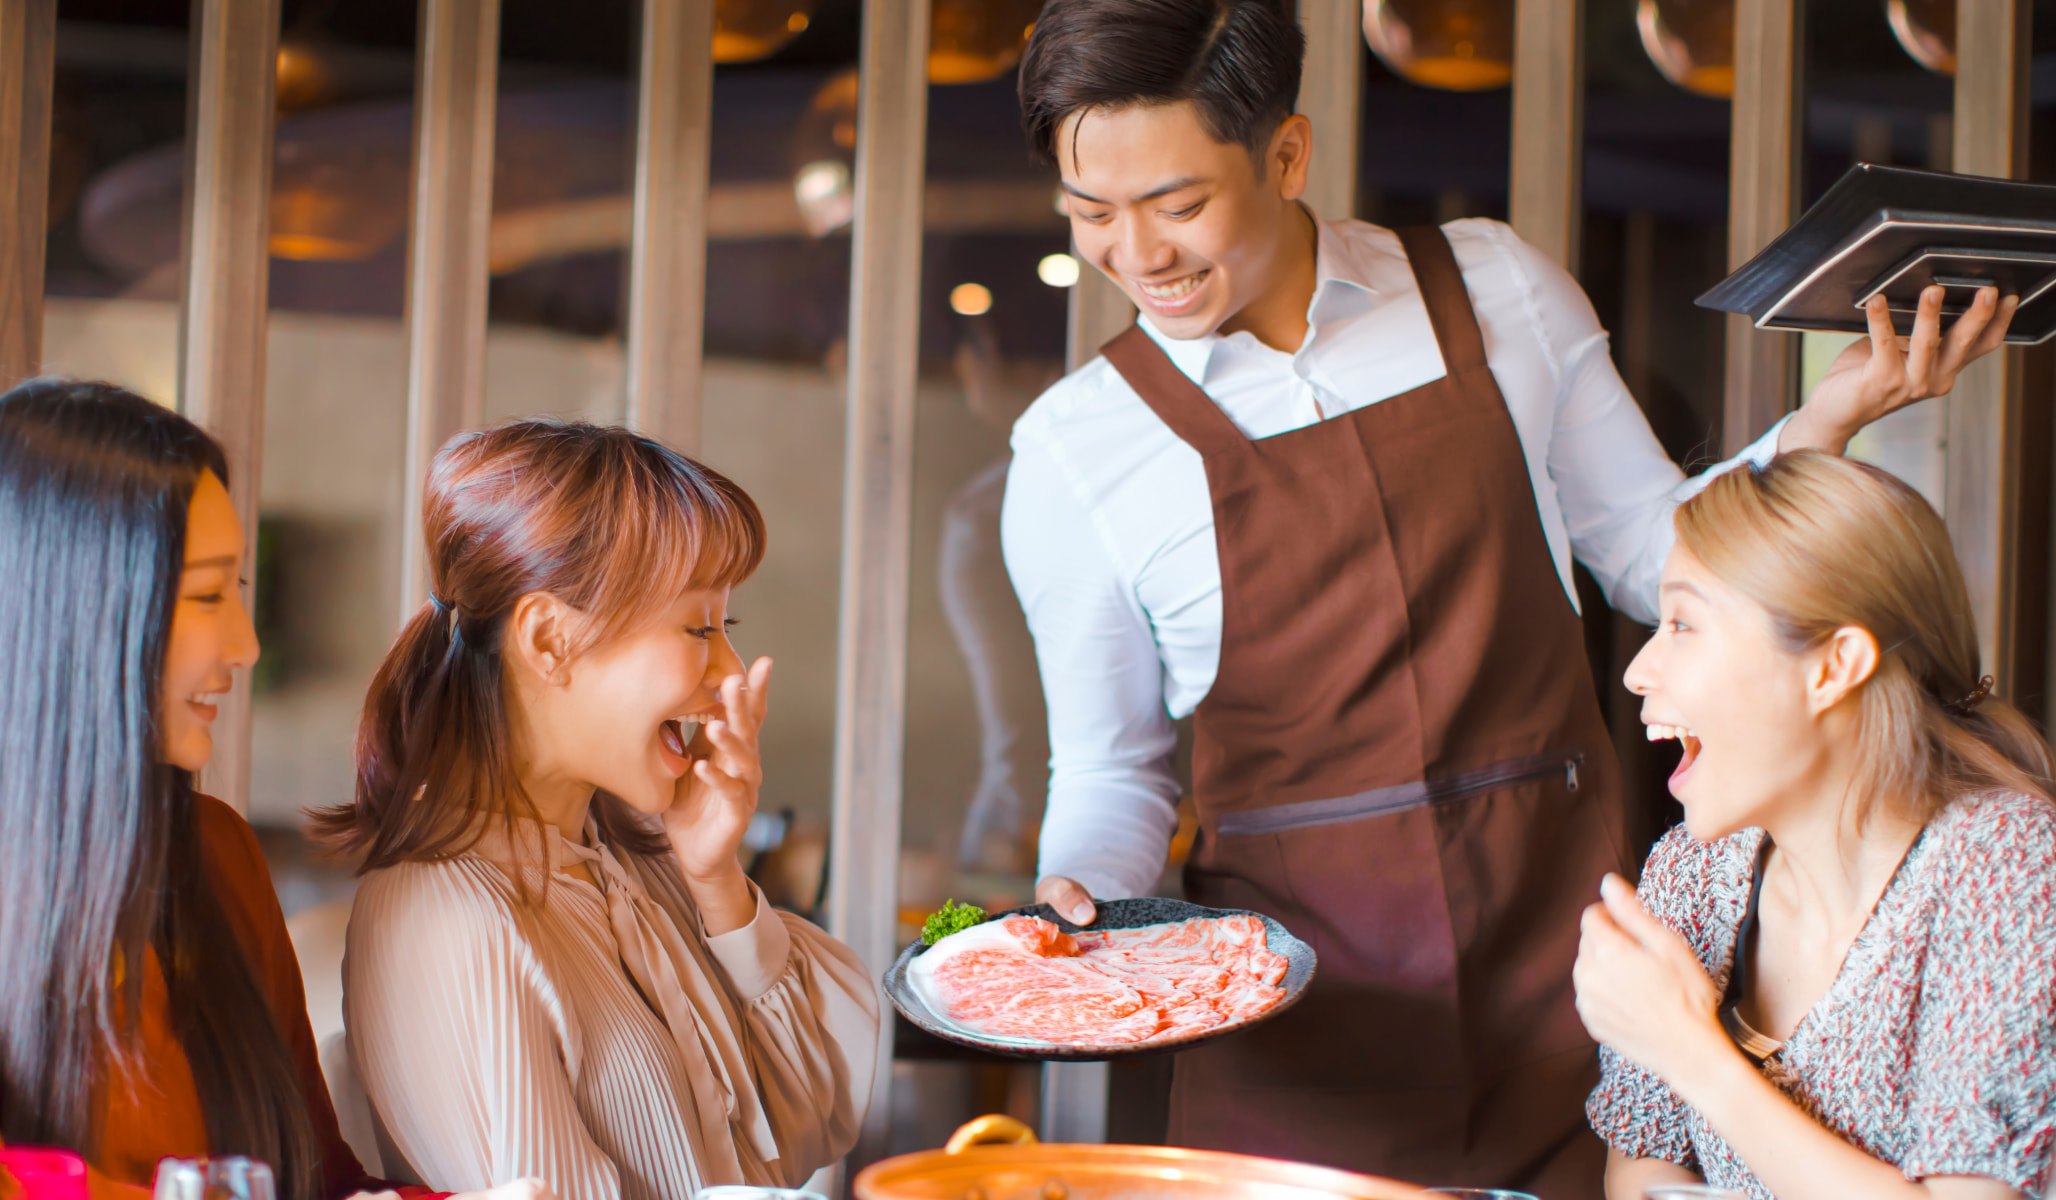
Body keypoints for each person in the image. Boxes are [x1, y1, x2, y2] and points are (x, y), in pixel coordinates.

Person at [1001, 0, 2014, 1190]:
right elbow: (1116, 769)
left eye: (1176, 205)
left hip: (1572, 980)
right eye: (1090, 214)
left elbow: (1656, 554)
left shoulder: (1493, 290)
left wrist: (1826, 420)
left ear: (1286, 155)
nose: (1138, 255)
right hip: (1299, 1040)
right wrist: (1085, 910)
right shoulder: (1076, 450)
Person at [0, 379, 546, 1200]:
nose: (245, 645)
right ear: (77, 608)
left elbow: (318, 1182)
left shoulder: (214, 856)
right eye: (206, 595)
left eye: (239, 594)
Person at [323, 420, 878, 1200]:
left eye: (728, 627)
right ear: (550, 639)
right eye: (697, 627)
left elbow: (807, 1125)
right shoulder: (451, 916)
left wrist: (716, 880)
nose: (726, 673)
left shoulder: (628, 856)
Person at [1579, 452, 2056, 1200]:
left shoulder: (2004, 866)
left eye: (1681, 622)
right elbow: (1644, 1168)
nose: (1639, 670)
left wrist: (1691, 1051)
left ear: (1833, 667)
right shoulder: (1696, 872)